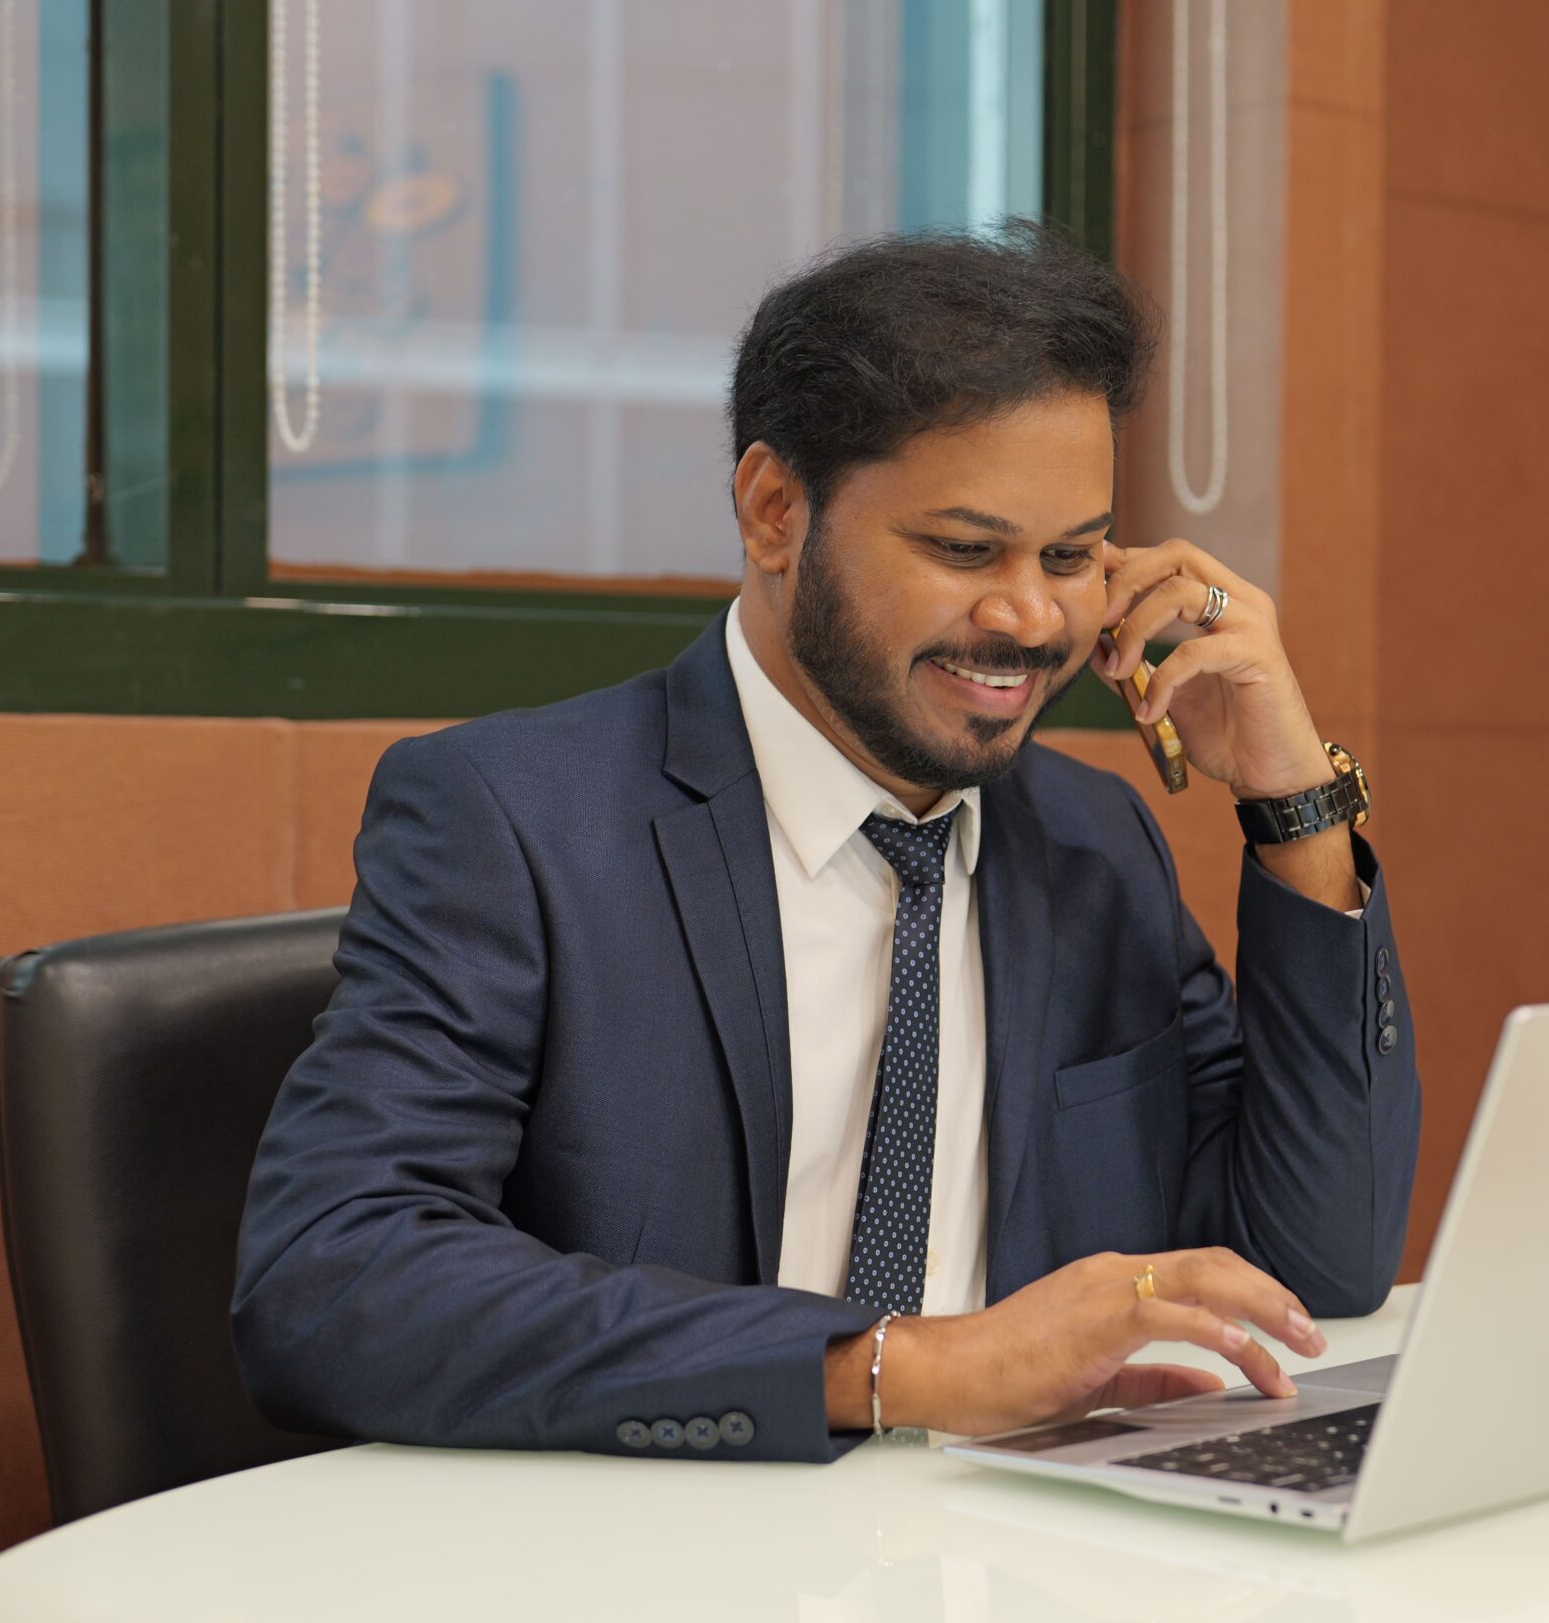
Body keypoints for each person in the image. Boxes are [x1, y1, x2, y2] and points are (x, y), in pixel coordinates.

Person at [232, 220, 1420, 1461]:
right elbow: (335, 1279)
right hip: (661, 1543)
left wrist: (1294, 805)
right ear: (773, 512)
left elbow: (1319, 1260)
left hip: (1015, 1547)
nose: (1030, 617)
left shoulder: (1093, 840)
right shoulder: (514, 820)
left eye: (1072, 556)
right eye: (964, 549)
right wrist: (903, 1368)